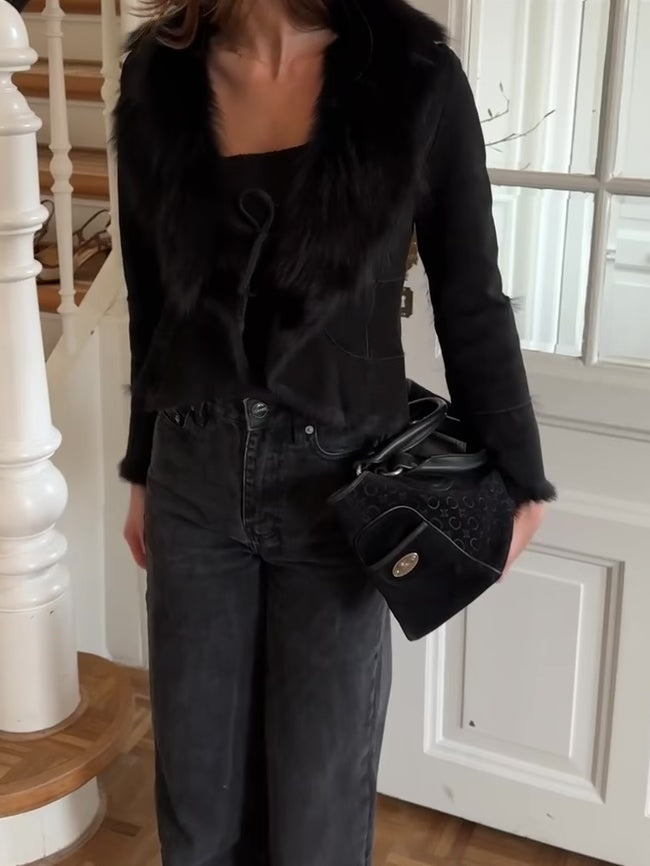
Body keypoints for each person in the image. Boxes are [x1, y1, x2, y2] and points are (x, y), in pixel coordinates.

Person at [116, 0, 556, 863]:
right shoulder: (157, 74)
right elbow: (151, 304)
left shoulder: (413, 75)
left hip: (339, 490)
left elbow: (469, 292)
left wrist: (518, 477)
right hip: (191, 479)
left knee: (317, 818)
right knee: (198, 815)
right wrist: (141, 469)